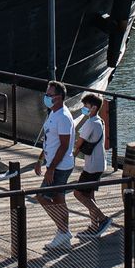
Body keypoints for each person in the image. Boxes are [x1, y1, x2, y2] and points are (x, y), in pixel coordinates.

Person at [38, 80, 76, 250]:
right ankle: (63, 236)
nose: (46, 97)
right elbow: (48, 139)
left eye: (49, 95)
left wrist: (51, 168)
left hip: (60, 166)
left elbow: (64, 145)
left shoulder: (63, 117)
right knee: (59, 200)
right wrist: (40, 160)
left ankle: (63, 231)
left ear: (59, 97)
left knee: (42, 196)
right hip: (52, 163)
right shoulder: (52, 112)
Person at [72, 93, 111, 235]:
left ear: (94, 107)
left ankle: (103, 219)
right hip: (100, 163)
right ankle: (94, 226)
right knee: (89, 195)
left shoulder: (90, 123)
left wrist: (72, 157)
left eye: (86, 106)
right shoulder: (100, 121)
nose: (84, 108)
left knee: (78, 193)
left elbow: (80, 142)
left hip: (92, 166)